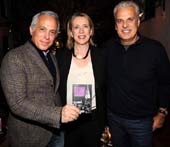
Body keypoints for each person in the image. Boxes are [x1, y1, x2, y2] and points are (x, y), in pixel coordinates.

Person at [0, 11, 80, 147]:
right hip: (30, 137)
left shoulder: (51, 56)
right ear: (32, 30)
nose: (47, 36)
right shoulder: (14, 58)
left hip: (56, 131)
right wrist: (58, 114)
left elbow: (52, 91)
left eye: (52, 32)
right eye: (42, 29)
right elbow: (17, 104)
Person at [102, 1, 170, 147]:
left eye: (130, 19)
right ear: (115, 26)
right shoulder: (107, 48)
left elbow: (166, 82)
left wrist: (162, 112)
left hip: (143, 122)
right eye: (120, 21)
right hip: (114, 120)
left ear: (138, 22)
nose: (125, 25)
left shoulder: (155, 49)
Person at [57, 12, 106, 147]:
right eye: (76, 27)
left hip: (94, 119)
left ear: (91, 31)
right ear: (71, 32)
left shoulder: (102, 56)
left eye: (85, 26)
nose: (81, 31)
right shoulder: (61, 57)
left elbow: (108, 89)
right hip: (69, 119)